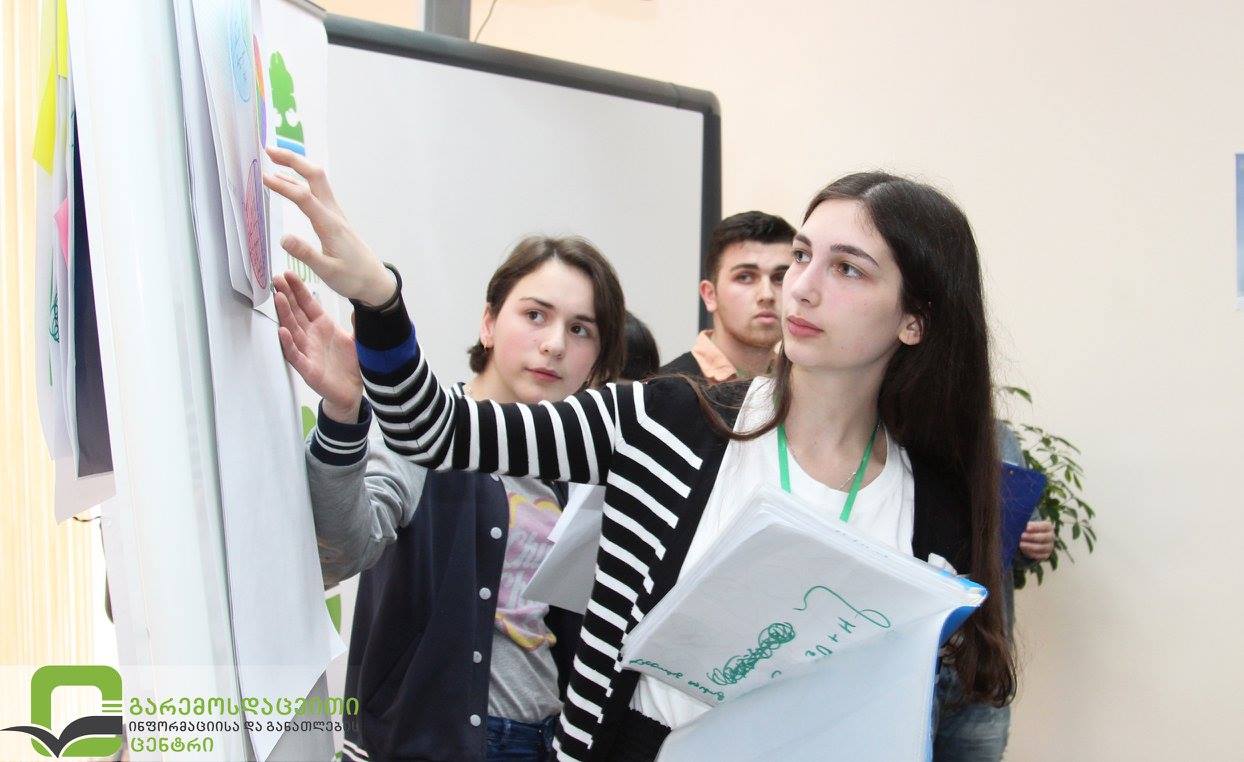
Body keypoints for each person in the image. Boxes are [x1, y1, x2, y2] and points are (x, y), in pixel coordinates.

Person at [264, 148, 1016, 761]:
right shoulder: (670, 418)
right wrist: (378, 297)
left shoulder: (932, 504)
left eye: (848, 269)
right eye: (802, 257)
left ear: (915, 320)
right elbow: (438, 430)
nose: (801, 289)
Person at [277, 229, 626, 761]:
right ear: (489, 323)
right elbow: (338, 553)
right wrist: (343, 416)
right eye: (535, 315)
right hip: (422, 743)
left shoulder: (577, 471)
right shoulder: (421, 431)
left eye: (581, 329)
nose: (555, 344)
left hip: (543, 741)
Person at [932, 424, 1054, 761]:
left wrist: (1037, 541)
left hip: (981, 664)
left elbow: (1023, 532)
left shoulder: (999, 436)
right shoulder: (890, 430)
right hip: (914, 666)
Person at [660, 211, 795, 382]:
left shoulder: (802, 386)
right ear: (710, 295)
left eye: (781, 278)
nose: (767, 295)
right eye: (744, 277)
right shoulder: (661, 390)